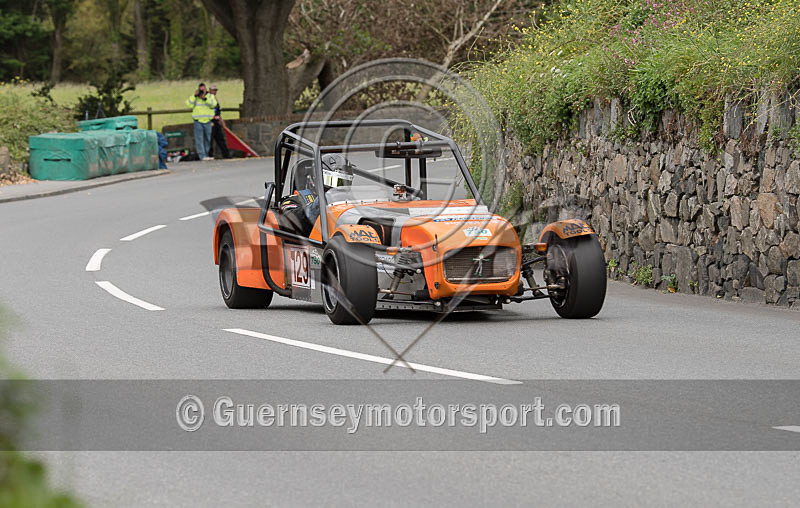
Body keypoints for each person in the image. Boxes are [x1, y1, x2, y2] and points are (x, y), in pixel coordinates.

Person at [186, 82, 217, 161]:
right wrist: (194, 96)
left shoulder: (210, 96)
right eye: (201, 90)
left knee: (208, 139)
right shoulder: (195, 98)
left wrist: (205, 99)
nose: (202, 92)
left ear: (206, 89)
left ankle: (206, 154)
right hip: (198, 121)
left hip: (207, 121)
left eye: (203, 90)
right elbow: (188, 104)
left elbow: (213, 104)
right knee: (199, 139)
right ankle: (202, 155)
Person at [208, 84, 230, 159]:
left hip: (216, 121)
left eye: (216, 90)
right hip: (211, 121)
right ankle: (209, 155)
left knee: (220, 139)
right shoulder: (208, 99)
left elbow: (218, 111)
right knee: (210, 139)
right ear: (210, 90)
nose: (215, 92)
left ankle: (226, 155)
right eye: (213, 90)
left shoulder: (215, 99)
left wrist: (221, 120)